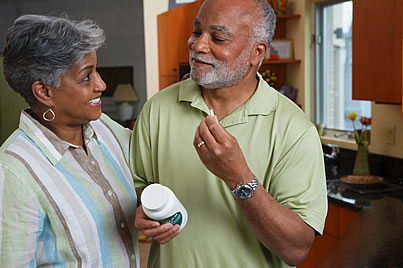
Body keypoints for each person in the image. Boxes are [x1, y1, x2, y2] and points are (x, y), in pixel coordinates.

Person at [131, 0, 327, 267]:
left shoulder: (294, 130)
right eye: (197, 31)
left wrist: (239, 178)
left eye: (219, 38)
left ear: (256, 53)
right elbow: (137, 187)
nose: (198, 45)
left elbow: (295, 249)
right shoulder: (158, 108)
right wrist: (145, 210)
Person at [0, 14, 139, 267]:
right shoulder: (13, 172)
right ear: (44, 92)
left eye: (96, 71)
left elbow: (146, 170)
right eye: (87, 76)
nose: (101, 84)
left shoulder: (104, 127)